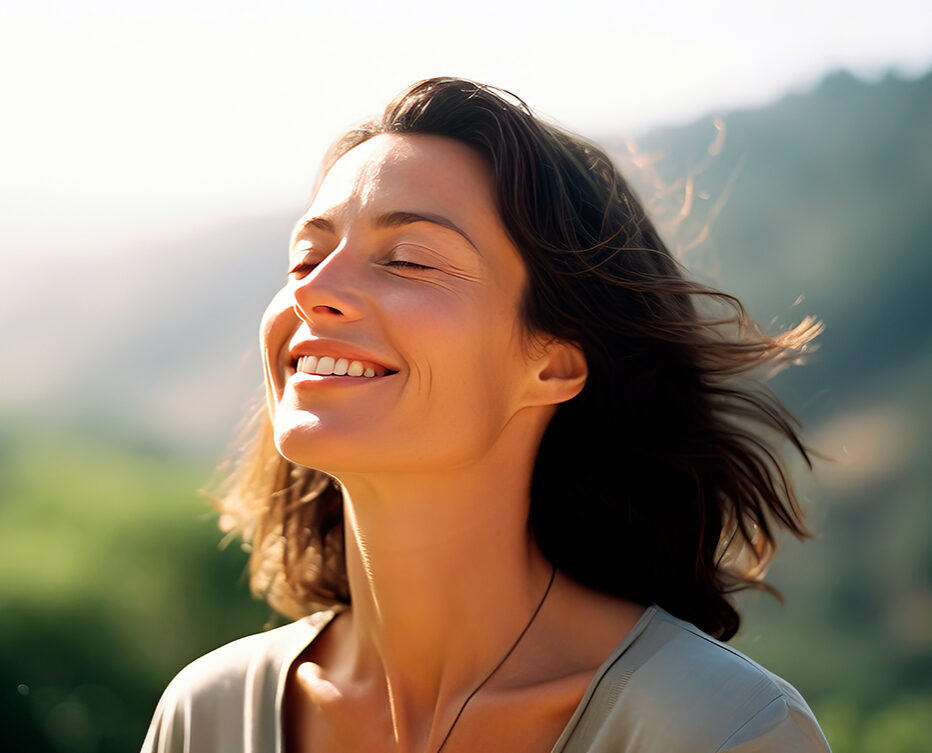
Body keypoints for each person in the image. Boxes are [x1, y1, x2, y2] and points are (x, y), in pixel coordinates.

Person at [141, 77, 831, 753]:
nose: (313, 292)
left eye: (408, 260)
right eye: (306, 257)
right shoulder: (207, 715)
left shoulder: (720, 730)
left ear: (552, 363)